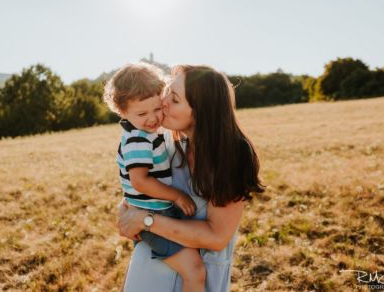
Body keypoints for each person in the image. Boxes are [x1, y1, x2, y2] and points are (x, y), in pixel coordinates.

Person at [117, 64, 265, 292]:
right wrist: (125, 209)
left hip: (197, 276)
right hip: (150, 266)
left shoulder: (232, 155)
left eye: (174, 99)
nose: (163, 101)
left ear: (202, 111)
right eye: (167, 91)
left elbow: (217, 236)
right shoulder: (166, 142)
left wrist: (145, 220)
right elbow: (141, 186)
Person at [103, 62, 207, 292]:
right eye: (142, 113)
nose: (152, 119)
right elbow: (140, 180)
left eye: (157, 108)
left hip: (157, 212)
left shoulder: (149, 131)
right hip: (152, 216)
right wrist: (176, 196)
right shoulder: (137, 139)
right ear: (122, 112)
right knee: (195, 271)